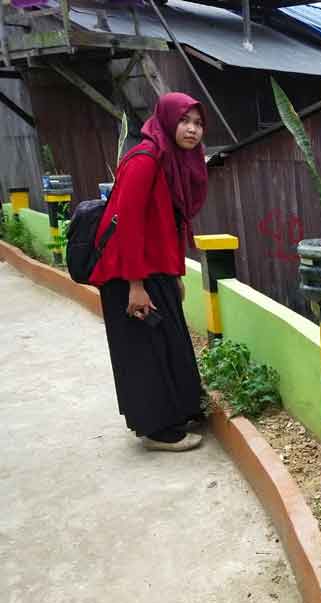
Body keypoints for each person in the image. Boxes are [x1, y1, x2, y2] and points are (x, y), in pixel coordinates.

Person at [90, 93, 209, 451]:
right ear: (168, 120)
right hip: (129, 273)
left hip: (154, 269)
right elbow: (127, 226)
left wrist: (173, 275)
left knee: (170, 342)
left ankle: (179, 412)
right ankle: (159, 431)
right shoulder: (144, 160)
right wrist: (136, 286)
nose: (191, 129)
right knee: (145, 351)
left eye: (198, 123)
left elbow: (166, 223)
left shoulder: (173, 159)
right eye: (184, 121)